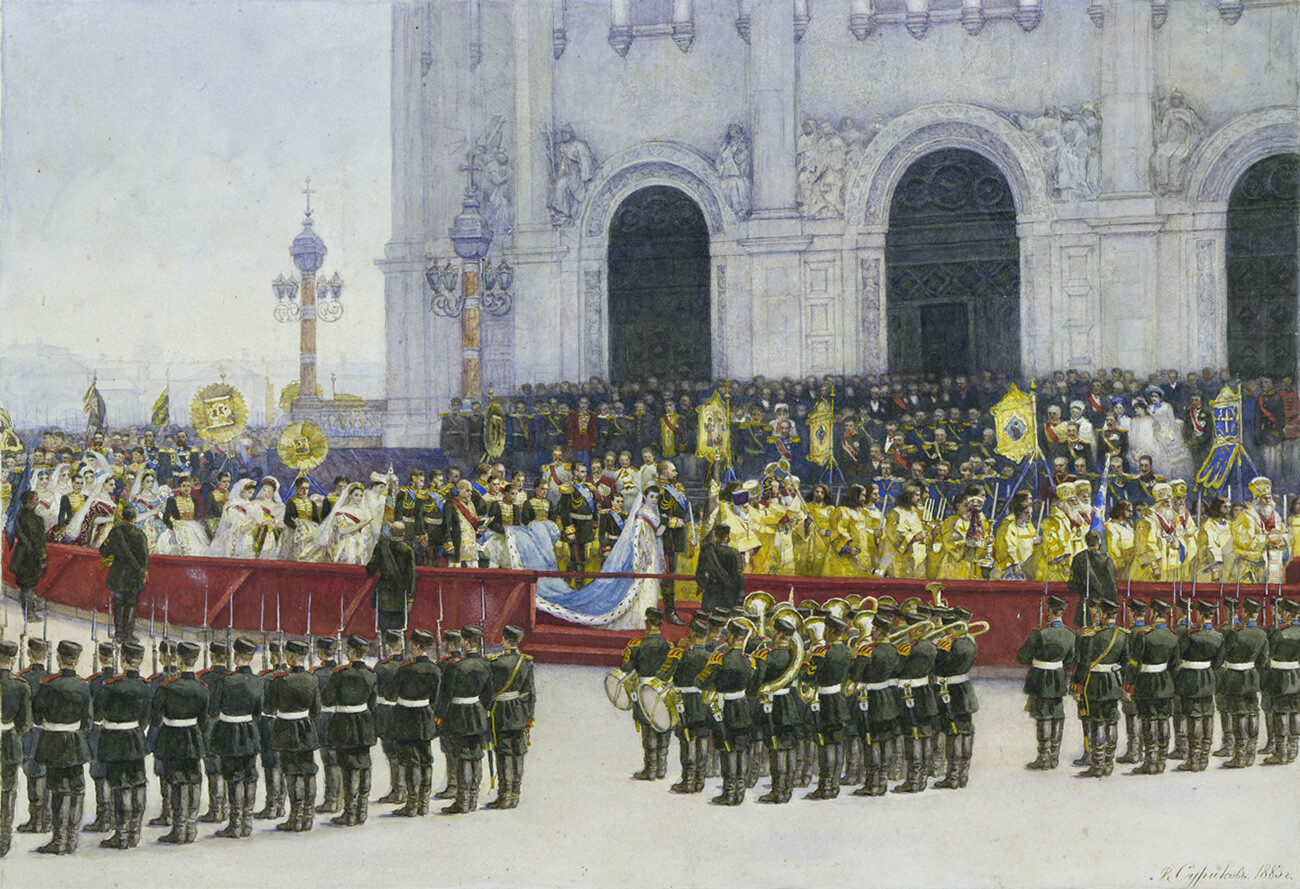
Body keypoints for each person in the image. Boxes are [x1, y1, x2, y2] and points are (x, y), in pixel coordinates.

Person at [31, 640, 92, 855]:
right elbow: (88, 721)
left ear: (58, 659)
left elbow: (36, 716)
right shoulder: (83, 686)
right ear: (76, 661)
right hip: (75, 742)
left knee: (57, 789)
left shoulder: (48, 685)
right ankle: (72, 839)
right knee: (76, 788)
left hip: (53, 742)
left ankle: (59, 840)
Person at [151, 640, 209, 845]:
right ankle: (191, 828)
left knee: (176, 783)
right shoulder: (202, 687)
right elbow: (204, 721)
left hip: (172, 738)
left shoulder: (168, 687)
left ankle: (178, 829)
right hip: (193, 738)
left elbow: (155, 718)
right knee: (193, 780)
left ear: (180, 660)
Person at [206, 636, 262, 840]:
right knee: (249, 775)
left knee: (233, 777)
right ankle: (247, 822)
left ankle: (235, 823)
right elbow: (258, 712)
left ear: (236, 656)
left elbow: (212, 711)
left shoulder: (225, 680)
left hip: (229, 732)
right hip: (249, 732)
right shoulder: (257, 681)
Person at [433, 625, 492, 815]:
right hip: (477, 713)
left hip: (459, 716)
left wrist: (439, 717)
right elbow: (489, 697)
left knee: (462, 757)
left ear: (465, 642)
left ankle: (462, 800)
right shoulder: (485, 664)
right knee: (476, 756)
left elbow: (445, 697)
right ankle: (473, 798)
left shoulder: (455, 666)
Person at [696, 620, 756, 806]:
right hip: (743, 707)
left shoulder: (720, 659)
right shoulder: (749, 660)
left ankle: (729, 792)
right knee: (741, 747)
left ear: (731, 636)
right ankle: (740, 791)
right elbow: (753, 686)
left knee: (727, 748)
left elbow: (701, 682)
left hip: (725, 708)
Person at [265, 638, 321, 832]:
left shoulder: (280, 681)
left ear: (289, 656)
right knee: (308, 769)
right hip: (306, 729)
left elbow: (269, 708)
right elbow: (316, 709)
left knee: (292, 772)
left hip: (286, 729)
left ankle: (295, 817)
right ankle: (308, 816)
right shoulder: (312, 679)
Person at [322, 635, 378, 827]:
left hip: (344, 723)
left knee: (348, 766)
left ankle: (350, 812)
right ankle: (362, 811)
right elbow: (372, 703)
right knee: (364, 763)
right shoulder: (371, 674)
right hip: (363, 723)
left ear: (352, 652)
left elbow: (327, 700)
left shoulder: (340, 674)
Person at [1016, 595, 1075, 770]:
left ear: (1049, 611)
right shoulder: (1070, 635)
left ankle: (1044, 756)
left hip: (1040, 678)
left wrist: (1033, 639)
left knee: (1043, 716)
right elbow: (1070, 661)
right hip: (1058, 677)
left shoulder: (1040, 634)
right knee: (1057, 714)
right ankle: (1054, 757)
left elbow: (1023, 657)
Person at [387, 628, 441, 817]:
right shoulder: (435, 669)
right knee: (426, 760)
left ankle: (412, 805)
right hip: (425, 717)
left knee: (411, 762)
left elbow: (390, 695)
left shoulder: (405, 669)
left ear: (417, 647)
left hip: (406, 718)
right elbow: (436, 699)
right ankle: (424, 804)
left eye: (412, 645)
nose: (410, 647)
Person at [747, 614, 801, 803]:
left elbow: (755, 683)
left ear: (778, 634)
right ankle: (787, 789)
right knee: (788, 745)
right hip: (788, 703)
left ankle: (777, 791)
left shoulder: (766, 655)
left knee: (776, 747)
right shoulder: (794, 655)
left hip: (772, 706)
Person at [655, 615, 711, 796]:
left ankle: (687, 781)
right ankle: (699, 781)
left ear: (693, 634)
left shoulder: (681, 654)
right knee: (702, 739)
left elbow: (663, 676)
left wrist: (675, 652)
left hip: (684, 703)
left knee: (687, 740)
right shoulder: (711, 657)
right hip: (703, 703)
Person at [1072, 599, 1127, 778]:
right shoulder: (1123, 635)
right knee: (1111, 720)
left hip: (1094, 683)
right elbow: (1125, 662)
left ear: (1103, 614)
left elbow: (1084, 664)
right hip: (1113, 683)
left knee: (1097, 723)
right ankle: (1109, 762)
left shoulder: (1091, 635)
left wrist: (1077, 687)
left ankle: (1097, 764)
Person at [1126, 598, 1179, 775]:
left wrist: (1129, 686)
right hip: (1165, 683)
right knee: (1163, 719)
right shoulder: (1173, 636)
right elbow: (1175, 665)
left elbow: (1134, 664)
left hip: (1147, 684)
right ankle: (1162, 761)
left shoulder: (1144, 636)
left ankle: (1151, 761)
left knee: (1149, 720)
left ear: (1154, 613)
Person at [485, 625, 535, 810]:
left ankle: (504, 796)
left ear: (504, 640)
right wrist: (529, 717)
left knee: (504, 752)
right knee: (518, 751)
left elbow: (489, 691)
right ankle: (515, 795)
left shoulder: (495, 662)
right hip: (519, 713)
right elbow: (530, 692)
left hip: (501, 712)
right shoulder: (526, 662)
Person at [803, 614, 852, 800]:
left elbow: (808, 677)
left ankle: (824, 786)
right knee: (838, 742)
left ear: (830, 631)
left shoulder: (822, 653)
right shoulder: (847, 652)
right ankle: (835, 785)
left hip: (824, 701)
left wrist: (808, 660)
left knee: (825, 744)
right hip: (838, 700)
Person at [619, 607, 672, 781]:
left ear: (647, 623)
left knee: (648, 729)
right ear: (661, 624)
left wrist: (627, 654)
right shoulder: (668, 646)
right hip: (663, 689)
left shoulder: (639, 645)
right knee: (663, 725)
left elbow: (626, 668)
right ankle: (662, 768)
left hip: (643, 689)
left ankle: (650, 770)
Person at [1175, 600, 1225, 772]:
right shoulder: (1218, 636)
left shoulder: (1190, 635)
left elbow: (1178, 656)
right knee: (1207, 715)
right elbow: (1218, 662)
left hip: (1191, 679)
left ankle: (1194, 759)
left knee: (1194, 716)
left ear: (1202, 615)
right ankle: (1204, 756)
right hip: (1208, 678)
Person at [932, 607, 979, 789]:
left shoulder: (947, 645)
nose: (944, 629)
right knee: (966, 730)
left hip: (949, 691)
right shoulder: (970, 643)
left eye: (946, 626)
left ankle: (952, 777)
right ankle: (963, 774)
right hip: (965, 689)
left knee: (952, 732)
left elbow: (937, 666)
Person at [1221, 597, 1270, 768]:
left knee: (1239, 714)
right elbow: (1263, 660)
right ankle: (1251, 753)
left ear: (1246, 612)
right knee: (1253, 712)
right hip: (1252, 676)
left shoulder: (1234, 633)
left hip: (1235, 678)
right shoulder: (1262, 634)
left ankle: (1240, 756)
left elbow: (1222, 656)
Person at [0, 639, 34, 858]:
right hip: (9, 740)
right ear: (13, 660)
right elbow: (25, 723)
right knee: (8, 789)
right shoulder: (21, 686)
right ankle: (3, 839)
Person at [82, 641, 118, 834]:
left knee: (99, 773)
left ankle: (104, 818)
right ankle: (114, 817)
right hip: (118, 733)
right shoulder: (122, 680)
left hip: (99, 732)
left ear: (101, 658)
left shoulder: (94, 682)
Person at [1261, 598, 1299, 765]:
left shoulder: (1279, 632)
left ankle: (1281, 752)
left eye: (1283, 612)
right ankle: (1293, 751)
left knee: (1281, 714)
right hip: (1297, 677)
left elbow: (1268, 654)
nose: (1281, 614)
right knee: (1296, 713)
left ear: (1289, 614)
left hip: (1280, 678)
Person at [196, 642, 230, 825]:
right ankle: (225, 808)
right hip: (229, 728)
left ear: (211, 656)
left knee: (213, 768)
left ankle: (216, 809)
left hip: (210, 727)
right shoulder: (232, 677)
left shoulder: (203, 678)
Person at [366, 522, 418, 633]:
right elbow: (411, 576)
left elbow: (370, 570)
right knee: (398, 632)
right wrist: (410, 599)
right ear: (404, 533)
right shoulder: (408, 550)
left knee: (383, 631)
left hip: (383, 595)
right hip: (399, 595)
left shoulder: (381, 547)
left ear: (390, 532)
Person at [656, 461, 690, 625]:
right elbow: (653, 513)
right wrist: (670, 521)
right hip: (664, 540)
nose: (676, 473)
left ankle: (669, 610)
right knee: (666, 576)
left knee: (671, 576)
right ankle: (669, 612)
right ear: (664, 472)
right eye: (673, 471)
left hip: (675, 539)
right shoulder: (658, 489)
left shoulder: (678, 488)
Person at [311, 637, 342, 816]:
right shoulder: (342, 671)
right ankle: (341, 798)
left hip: (323, 719)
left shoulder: (317, 674)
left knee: (329, 760)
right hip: (340, 717)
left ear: (321, 653)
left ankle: (331, 799)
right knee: (340, 760)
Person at [1068, 529, 1117, 628]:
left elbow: (1072, 585)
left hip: (1086, 605)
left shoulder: (1078, 558)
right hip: (1104, 608)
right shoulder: (1107, 559)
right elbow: (1112, 586)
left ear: (1086, 542)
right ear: (1099, 542)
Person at [12, 490, 47, 619]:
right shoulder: (35, 519)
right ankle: (30, 614)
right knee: (29, 585)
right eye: (36, 499)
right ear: (29, 501)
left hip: (21, 555)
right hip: (31, 556)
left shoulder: (19, 515)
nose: (38, 501)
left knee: (25, 585)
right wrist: (43, 558)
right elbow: (38, 541)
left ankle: (29, 610)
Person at [695, 525, 745, 613]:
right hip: (729, 598)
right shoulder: (735, 553)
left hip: (710, 599)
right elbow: (739, 579)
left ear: (716, 536)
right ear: (727, 537)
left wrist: (709, 586)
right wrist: (740, 599)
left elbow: (699, 576)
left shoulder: (707, 552)